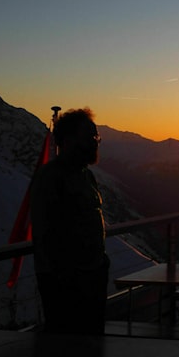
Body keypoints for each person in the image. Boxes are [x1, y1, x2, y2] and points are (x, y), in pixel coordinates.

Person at [30, 107, 109, 335]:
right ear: (68, 140)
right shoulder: (50, 177)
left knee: (90, 345)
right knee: (67, 349)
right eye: (90, 137)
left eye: (97, 137)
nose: (95, 142)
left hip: (92, 276)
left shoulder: (86, 175)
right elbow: (46, 231)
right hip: (66, 284)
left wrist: (101, 264)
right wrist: (61, 276)